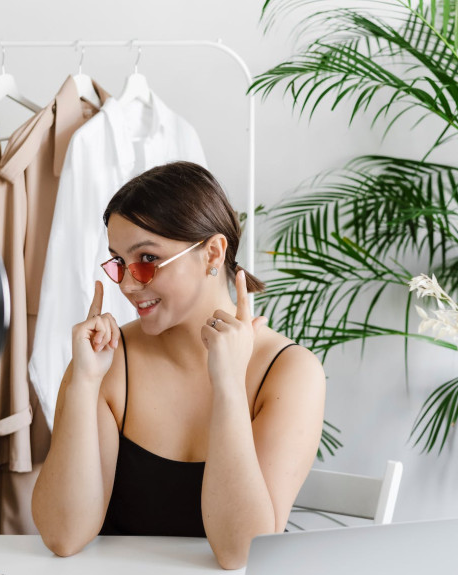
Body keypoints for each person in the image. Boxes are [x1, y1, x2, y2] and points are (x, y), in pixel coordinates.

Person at [31, 161, 326, 569]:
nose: (128, 284)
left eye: (147, 258)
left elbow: (239, 552)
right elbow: (63, 536)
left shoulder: (290, 373)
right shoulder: (109, 360)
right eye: (118, 261)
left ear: (213, 253)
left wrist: (227, 387)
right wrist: (83, 383)